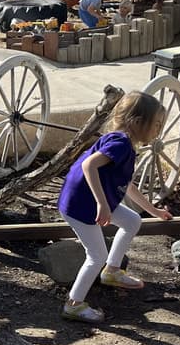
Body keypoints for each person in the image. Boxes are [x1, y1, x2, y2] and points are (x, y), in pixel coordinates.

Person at [58, 91, 173, 323]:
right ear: (137, 122)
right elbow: (89, 165)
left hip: (89, 200)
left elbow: (127, 184)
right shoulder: (121, 144)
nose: (159, 130)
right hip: (82, 204)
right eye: (156, 124)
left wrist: (154, 211)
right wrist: (102, 204)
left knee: (132, 221)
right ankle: (74, 305)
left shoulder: (122, 143)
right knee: (96, 255)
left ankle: (112, 271)